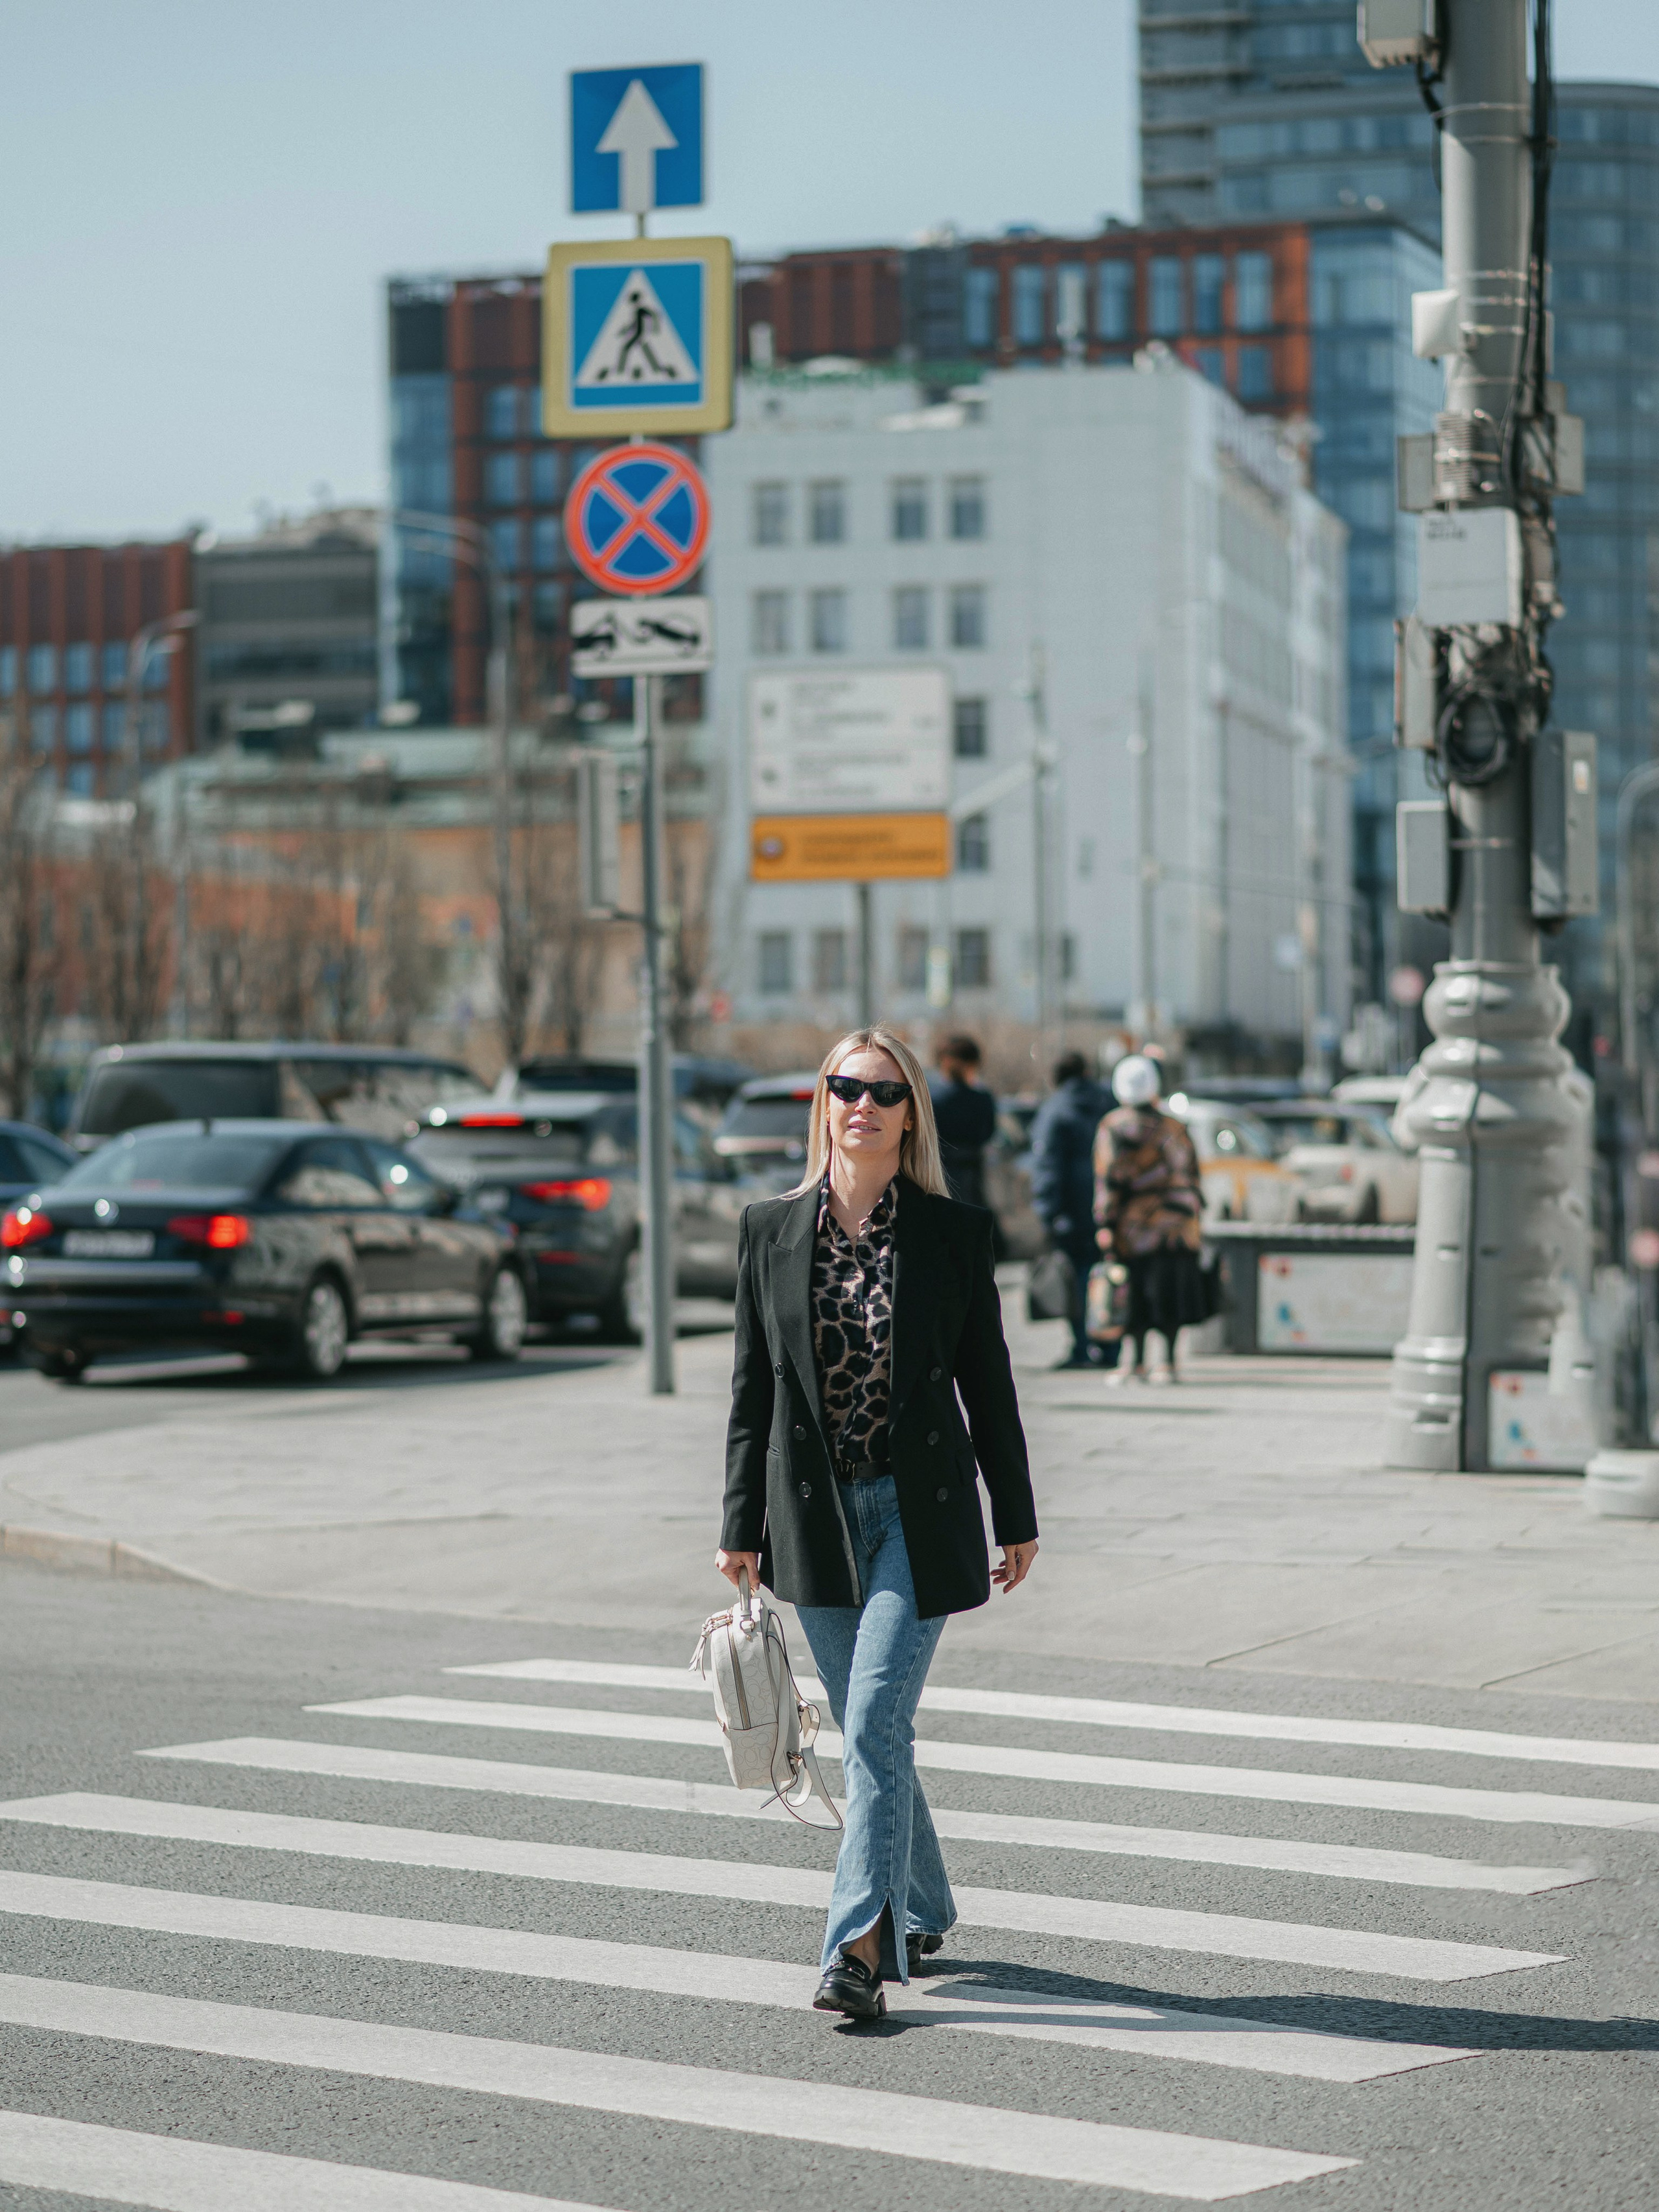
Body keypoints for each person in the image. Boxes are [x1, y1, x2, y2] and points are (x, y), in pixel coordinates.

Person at [717, 1023, 1038, 2022]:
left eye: (885, 1092)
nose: (863, 1104)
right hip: (811, 1518)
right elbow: (750, 1394)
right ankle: (928, 1898)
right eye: (846, 1087)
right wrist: (738, 1524)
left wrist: (1016, 1511)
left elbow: (988, 1381)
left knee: (875, 1721)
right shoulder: (769, 1231)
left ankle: (858, 1947)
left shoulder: (950, 1235)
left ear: (910, 1116)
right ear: (824, 1103)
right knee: (871, 1727)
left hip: (918, 1510)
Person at [1094, 1053, 1206, 1384]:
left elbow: (1108, 1179)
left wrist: (1104, 1223)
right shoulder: (1175, 1127)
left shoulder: (1113, 1127)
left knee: (1135, 1290)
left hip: (1134, 1226)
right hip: (1176, 1226)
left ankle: (1135, 1363)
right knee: (1170, 1291)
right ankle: (1168, 1364)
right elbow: (1192, 1176)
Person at [1028, 1051, 1115, 1369]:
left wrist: (1047, 1211)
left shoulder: (1055, 1111)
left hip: (1072, 1212)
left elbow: (1047, 1165)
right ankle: (1110, 1347)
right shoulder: (1109, 1103)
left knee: (1075, 1279)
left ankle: (1081, 1347)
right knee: (1106, 1276)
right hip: (1108, 1207)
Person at [929, 1034, 998, 1213]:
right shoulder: (982, 1099)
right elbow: (988, 1133)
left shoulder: (931, 1099)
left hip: (937, 1171)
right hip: (973, 1173)